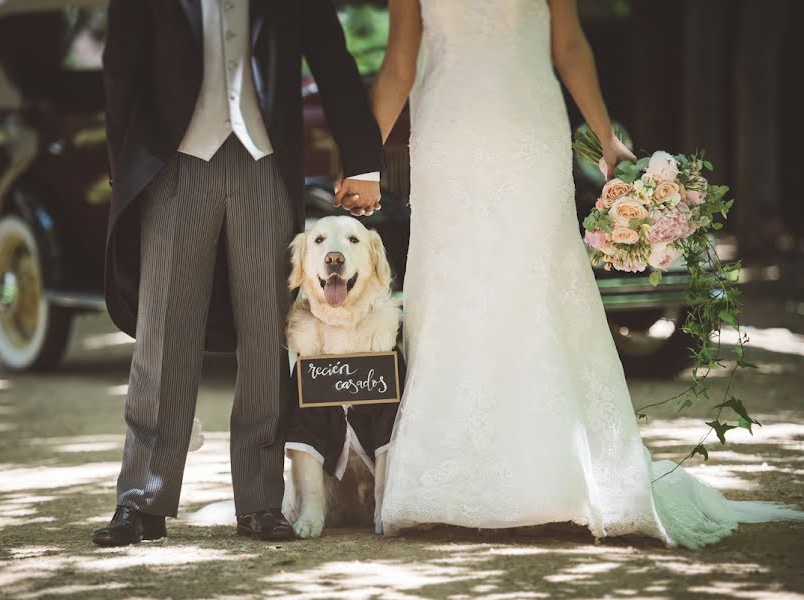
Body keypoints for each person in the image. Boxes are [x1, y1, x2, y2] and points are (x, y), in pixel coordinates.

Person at [357, 0, 804, 548]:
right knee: (454, 289)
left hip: (527, 132)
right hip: (450, 135)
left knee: (532, 284)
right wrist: (364, 159)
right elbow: (400, 60)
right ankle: (451, 478)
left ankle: (552, 476)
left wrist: (605, 137)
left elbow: (566, 44)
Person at [92, 0, 384, 546]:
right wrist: (124, 168)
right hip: (174, 166)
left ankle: (259, 502)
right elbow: (121, 65)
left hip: (264, 164)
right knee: (162, 334)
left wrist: (363, 159)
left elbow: (330, 54)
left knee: (265, 334)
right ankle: (142, 499)